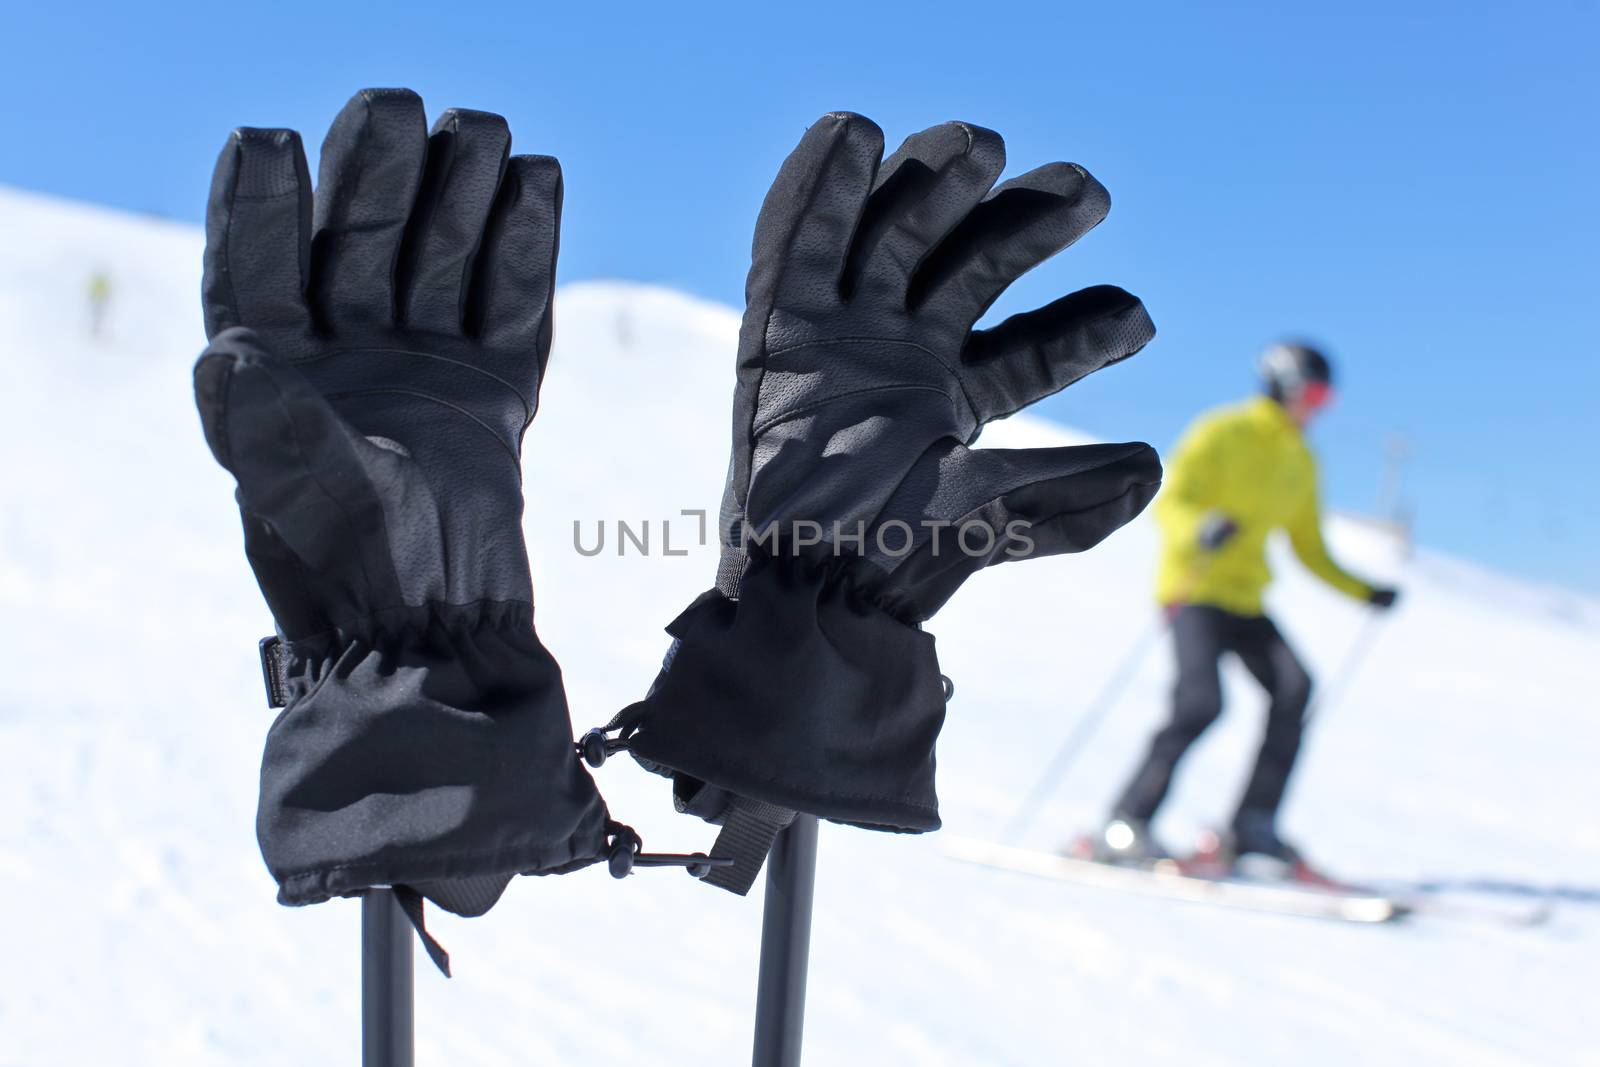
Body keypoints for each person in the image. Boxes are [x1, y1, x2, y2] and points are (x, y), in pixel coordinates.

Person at [1096, 341, 1399, 872]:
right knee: (1200, 704)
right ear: (1284, 384)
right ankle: (1127, 822)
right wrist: (1200, 527)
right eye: (1315, 392)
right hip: (1194, 589)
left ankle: (1253, 826)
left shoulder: (1301, 459)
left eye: (1327, 397)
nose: (1319, 406)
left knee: (1293, 688)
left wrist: (1363, 591)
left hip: (1246, 599)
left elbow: (1309, 547)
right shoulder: (1224, 431)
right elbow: (1172, 499)